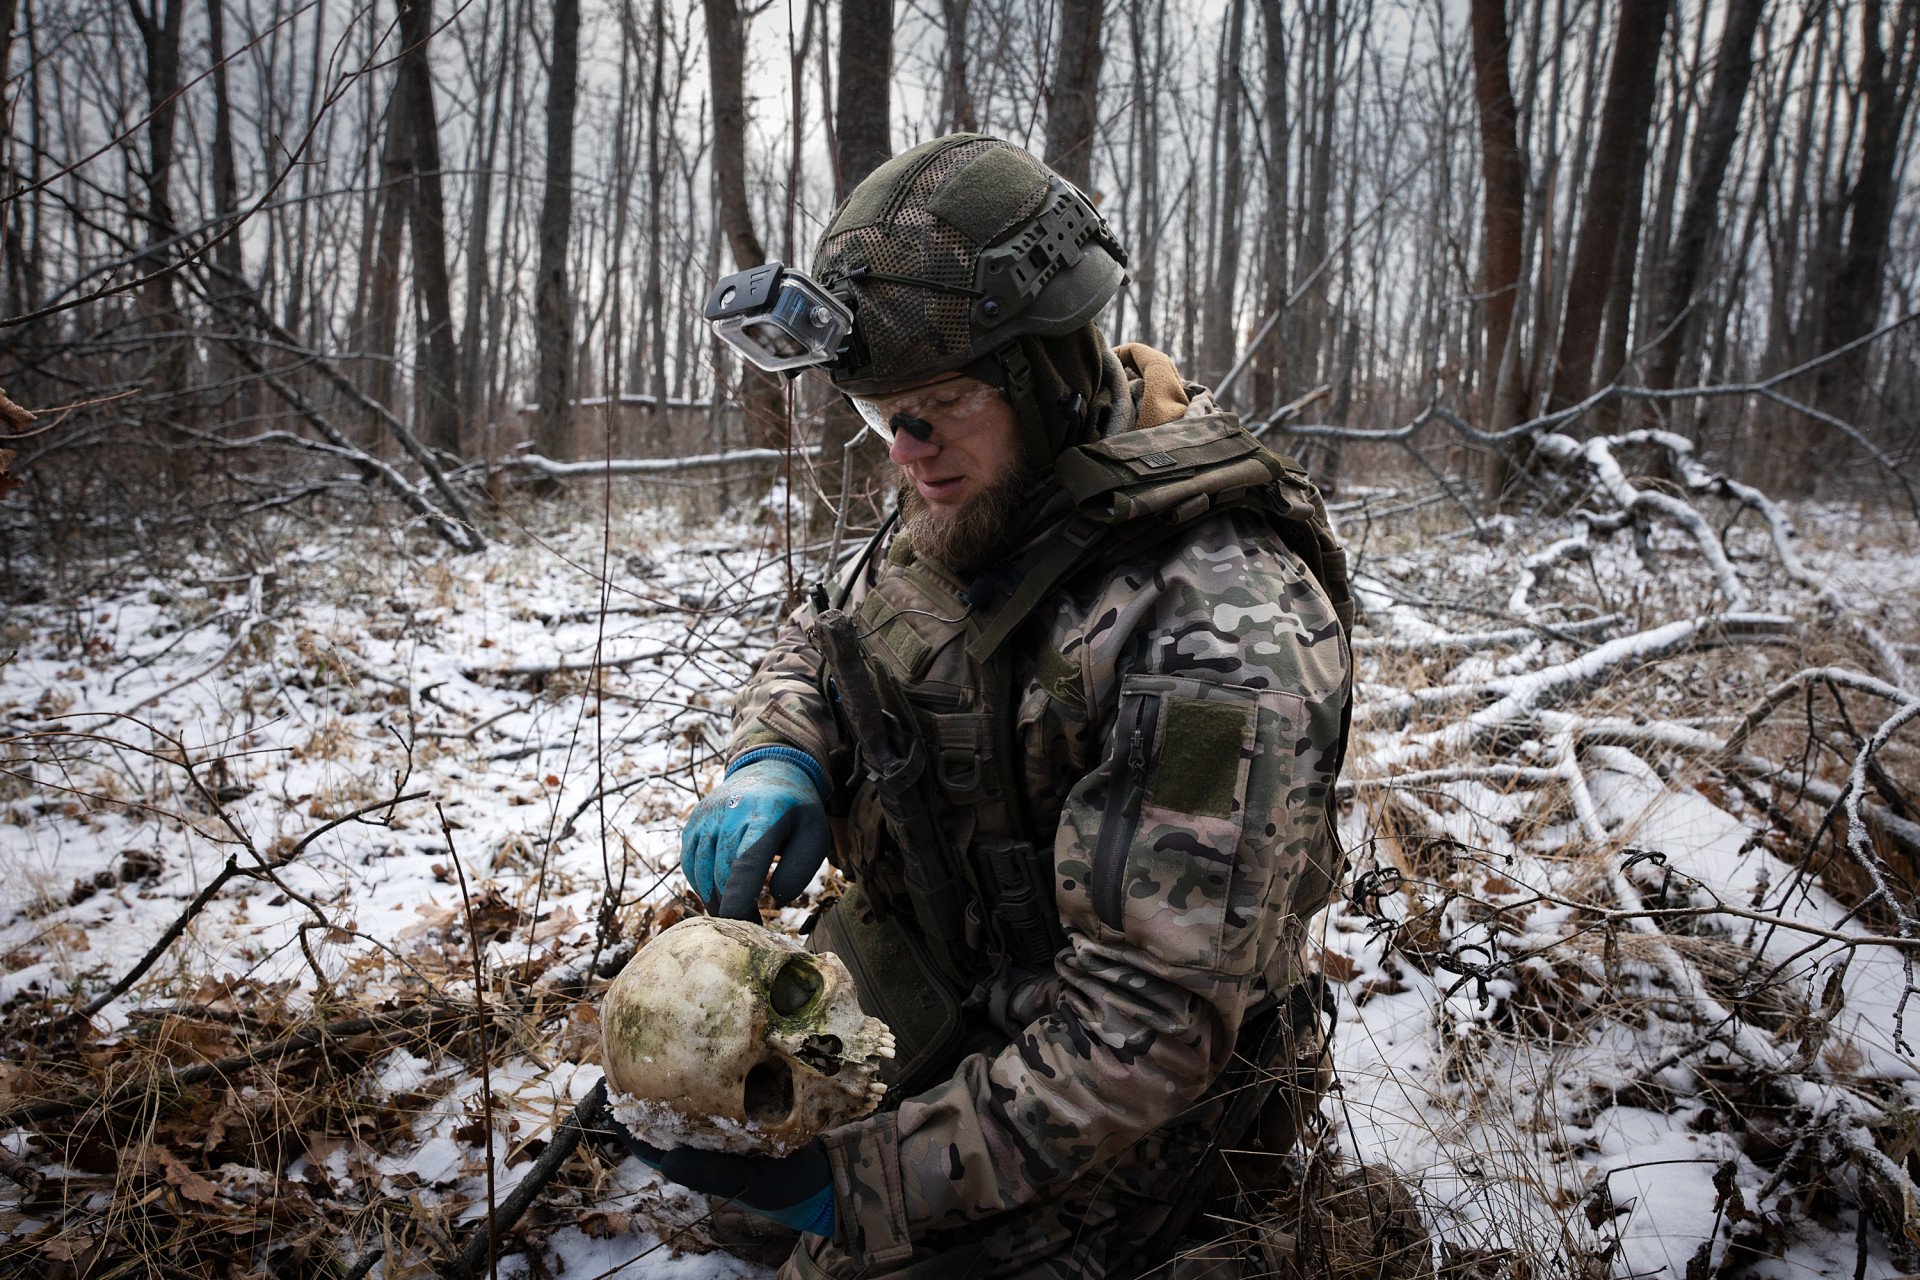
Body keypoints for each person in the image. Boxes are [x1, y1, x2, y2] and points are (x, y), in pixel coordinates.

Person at [626, 134, 1354, 1279]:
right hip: (949, 970)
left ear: (1048, 371)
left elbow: (1144, 1028)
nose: (908, 452)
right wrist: (779, 752)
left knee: (845, 1251)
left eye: (940, 405)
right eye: (881, 417)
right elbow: (834, 629)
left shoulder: (1219, 623)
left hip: (1132, 1082)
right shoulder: (986, 487)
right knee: (736, 1179)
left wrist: (867, 1183)